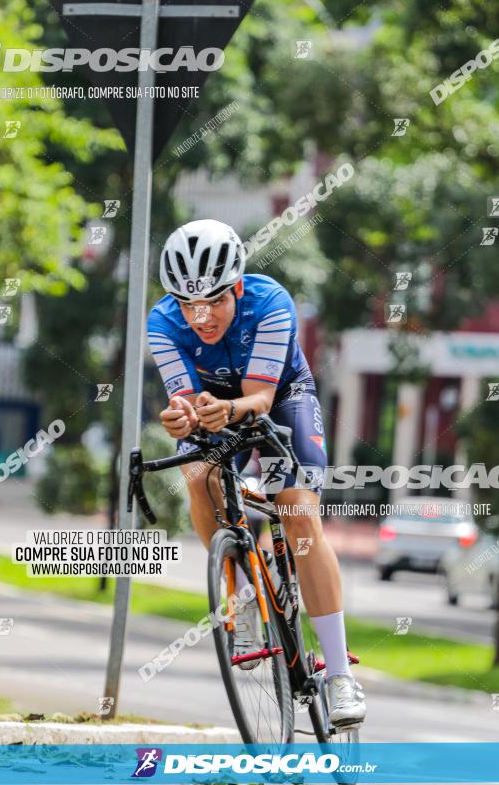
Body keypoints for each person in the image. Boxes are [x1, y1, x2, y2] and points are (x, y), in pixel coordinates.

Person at [147, 218, 366, 727]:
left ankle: (338, 674)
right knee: (199, 476)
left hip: (281, 398)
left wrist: (227, 409)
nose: (200, 317)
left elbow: (261, 398)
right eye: (187, 304)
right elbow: (181, 400)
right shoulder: (162, 321)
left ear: (238, 287)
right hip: (213, 407)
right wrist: (178, 414)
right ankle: (242, 592)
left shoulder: (270, 303)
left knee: (297, 513)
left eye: (214, 301)